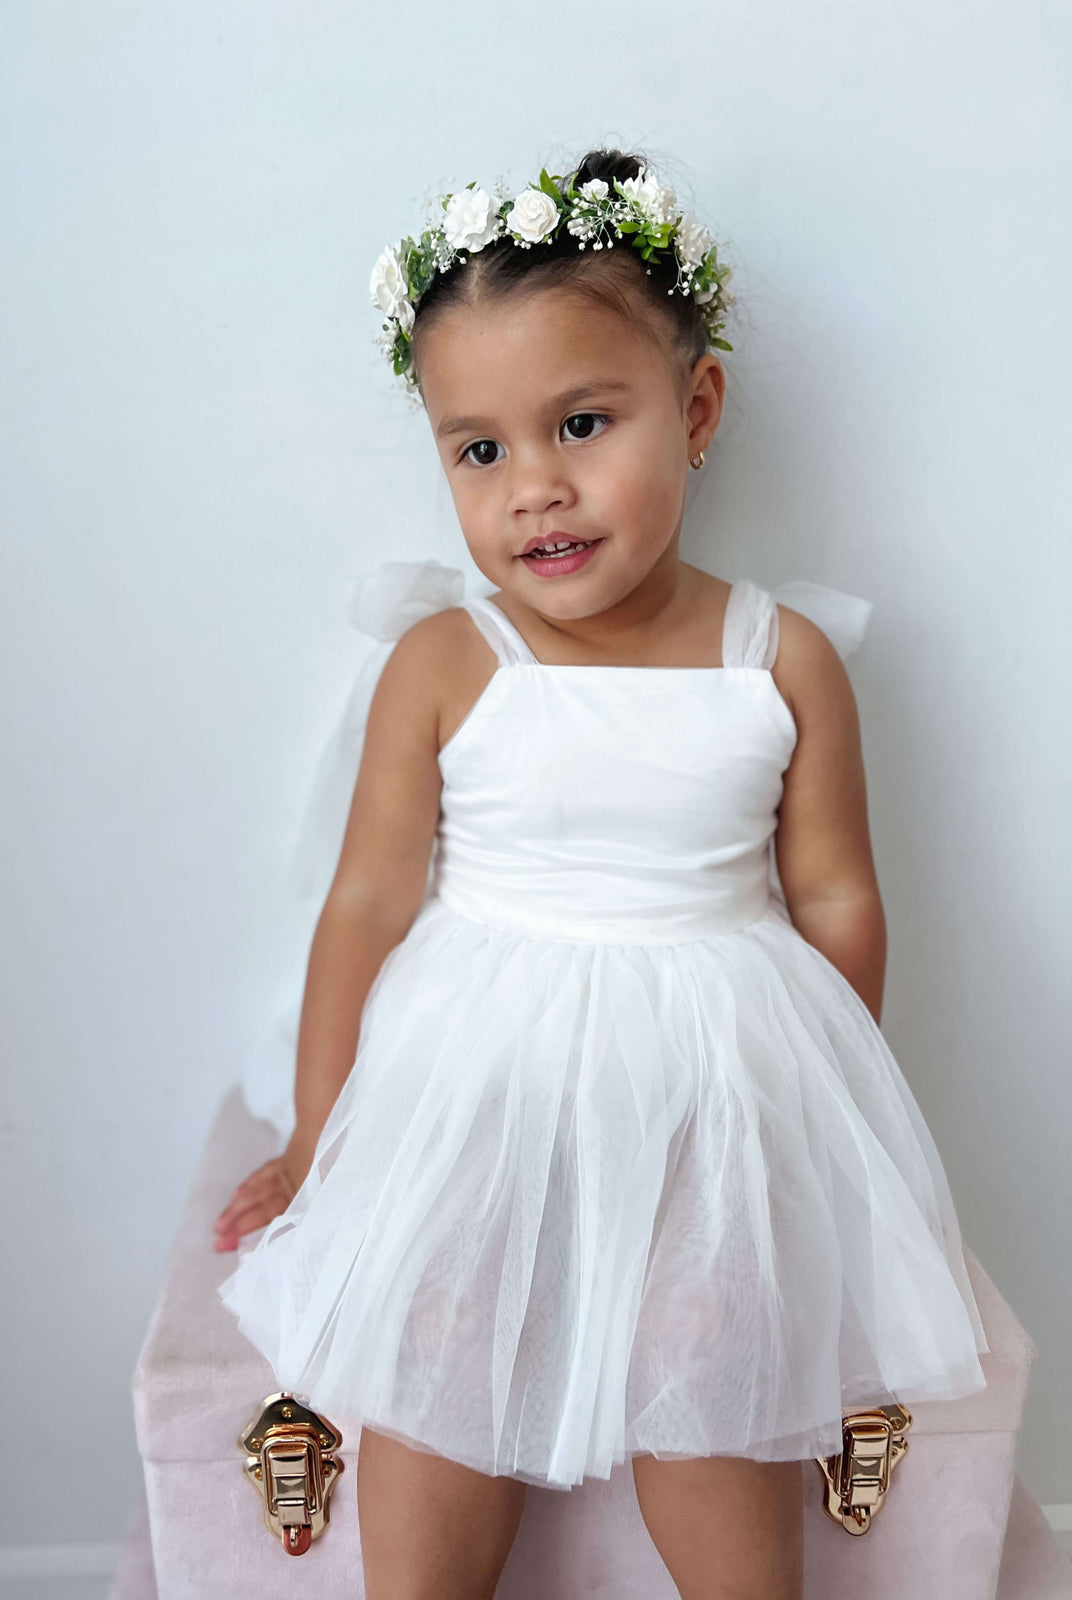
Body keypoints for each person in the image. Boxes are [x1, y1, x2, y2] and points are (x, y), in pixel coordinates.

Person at [212, 148, 989, 1600]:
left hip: (709, 1078)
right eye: (480, 449)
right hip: (484, 1077)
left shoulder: (780, 658)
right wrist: (326, 1141)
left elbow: (832, 897)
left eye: (581, 422)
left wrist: (815, 1131)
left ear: (694, 412)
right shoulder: (449, 662)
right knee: (443, 1341)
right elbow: (370, 901)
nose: (537, 490)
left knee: (707, 1352)